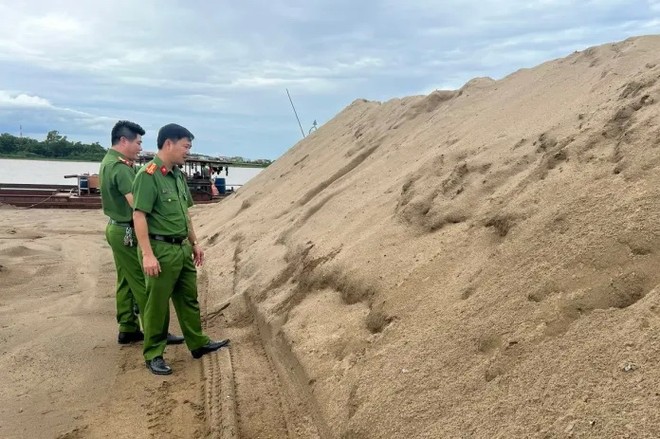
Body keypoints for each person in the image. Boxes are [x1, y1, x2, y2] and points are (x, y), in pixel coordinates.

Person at [132, 123, 229, 375]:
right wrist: (148, 254)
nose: (188, 151)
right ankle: (153, 352)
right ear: (168, 144)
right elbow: (139, 215)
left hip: (182, 248)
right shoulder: (148, 175)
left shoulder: (177, 175)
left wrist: (194, 242)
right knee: (157, 304)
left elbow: (185, 214)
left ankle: (197, 342)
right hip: (160, 249)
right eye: (186, 146)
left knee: (188, 298)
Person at [100, 120, 184, 346]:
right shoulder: (120, 168)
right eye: (138, 143)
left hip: (116, 228)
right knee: (143, 283)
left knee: (125, 280)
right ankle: (156, 332)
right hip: (126, 230)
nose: (140, 147)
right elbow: (136, 204)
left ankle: (128, 326)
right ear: (123, 141)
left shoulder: (110, 162)